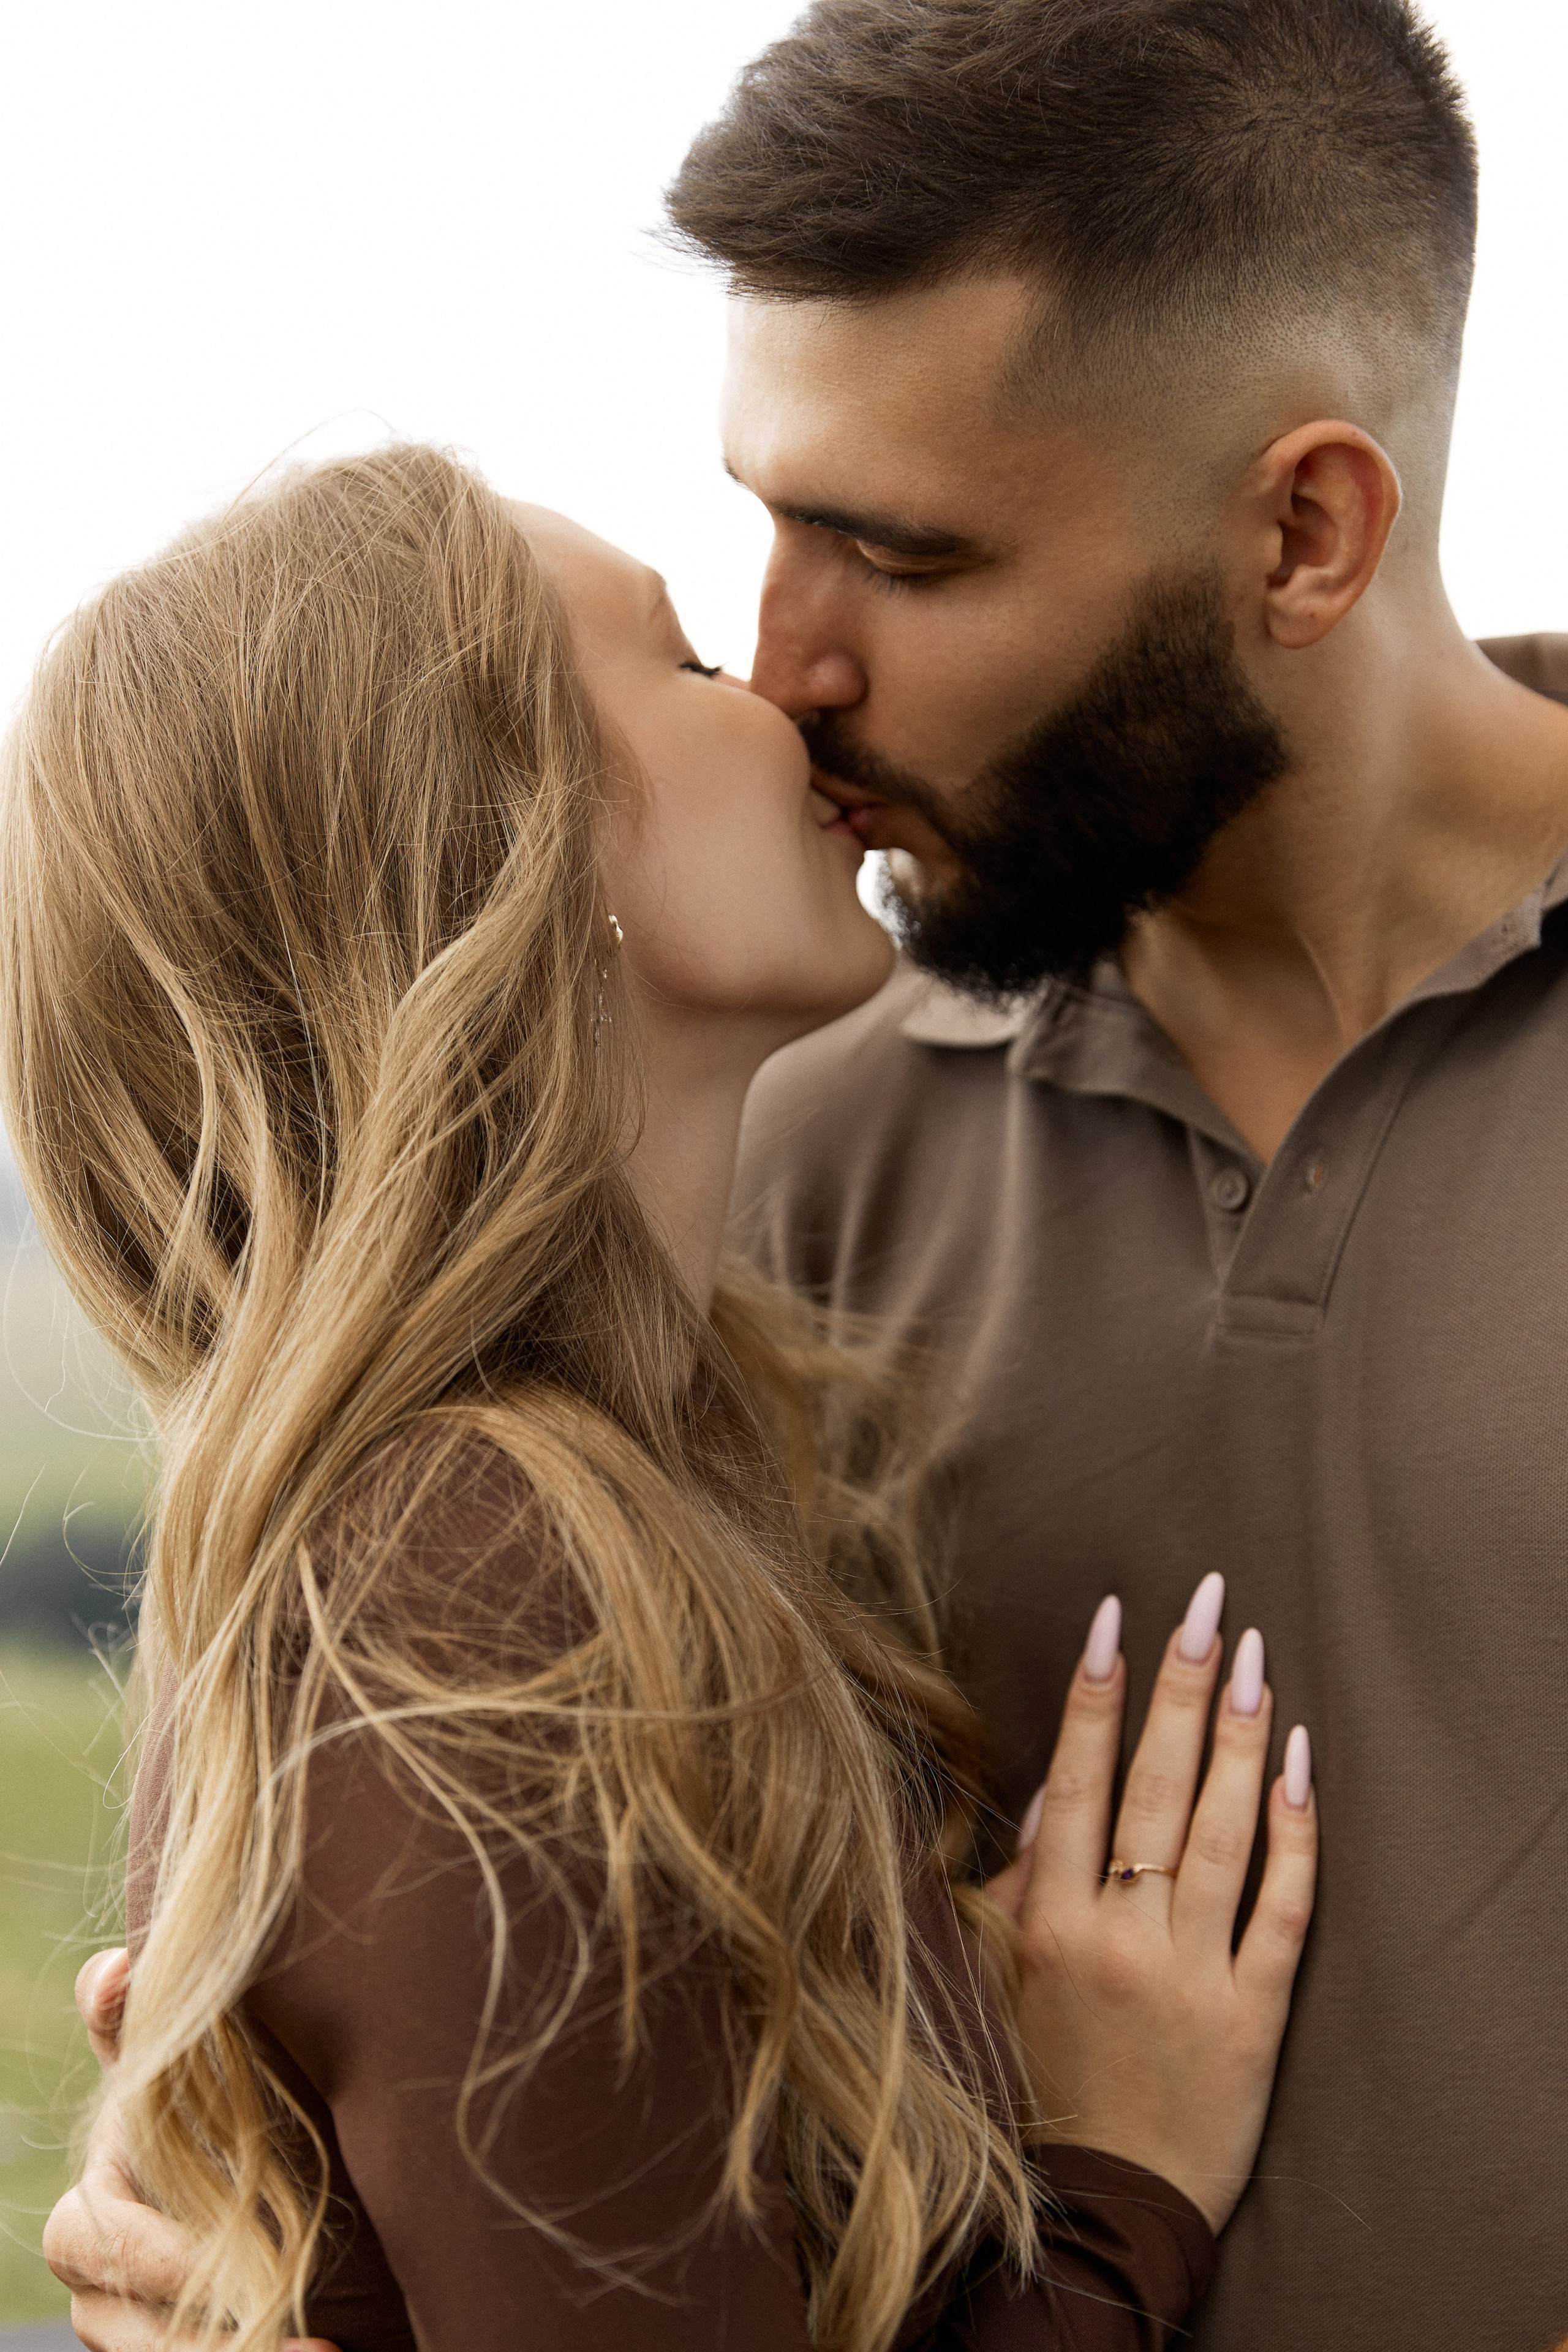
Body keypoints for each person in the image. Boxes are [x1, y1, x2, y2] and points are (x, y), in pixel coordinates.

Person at [42, 0, 1568, 2343]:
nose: (787, 665)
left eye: (906, 553)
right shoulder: (747, 1168)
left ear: (1305, 530)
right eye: (763, 523)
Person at [7, 446, 1318, 2351]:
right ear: (501, 848)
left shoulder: (602, 1494)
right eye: (687, 660)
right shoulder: (458, 1582)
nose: (781, 695)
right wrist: (1120, 2182)